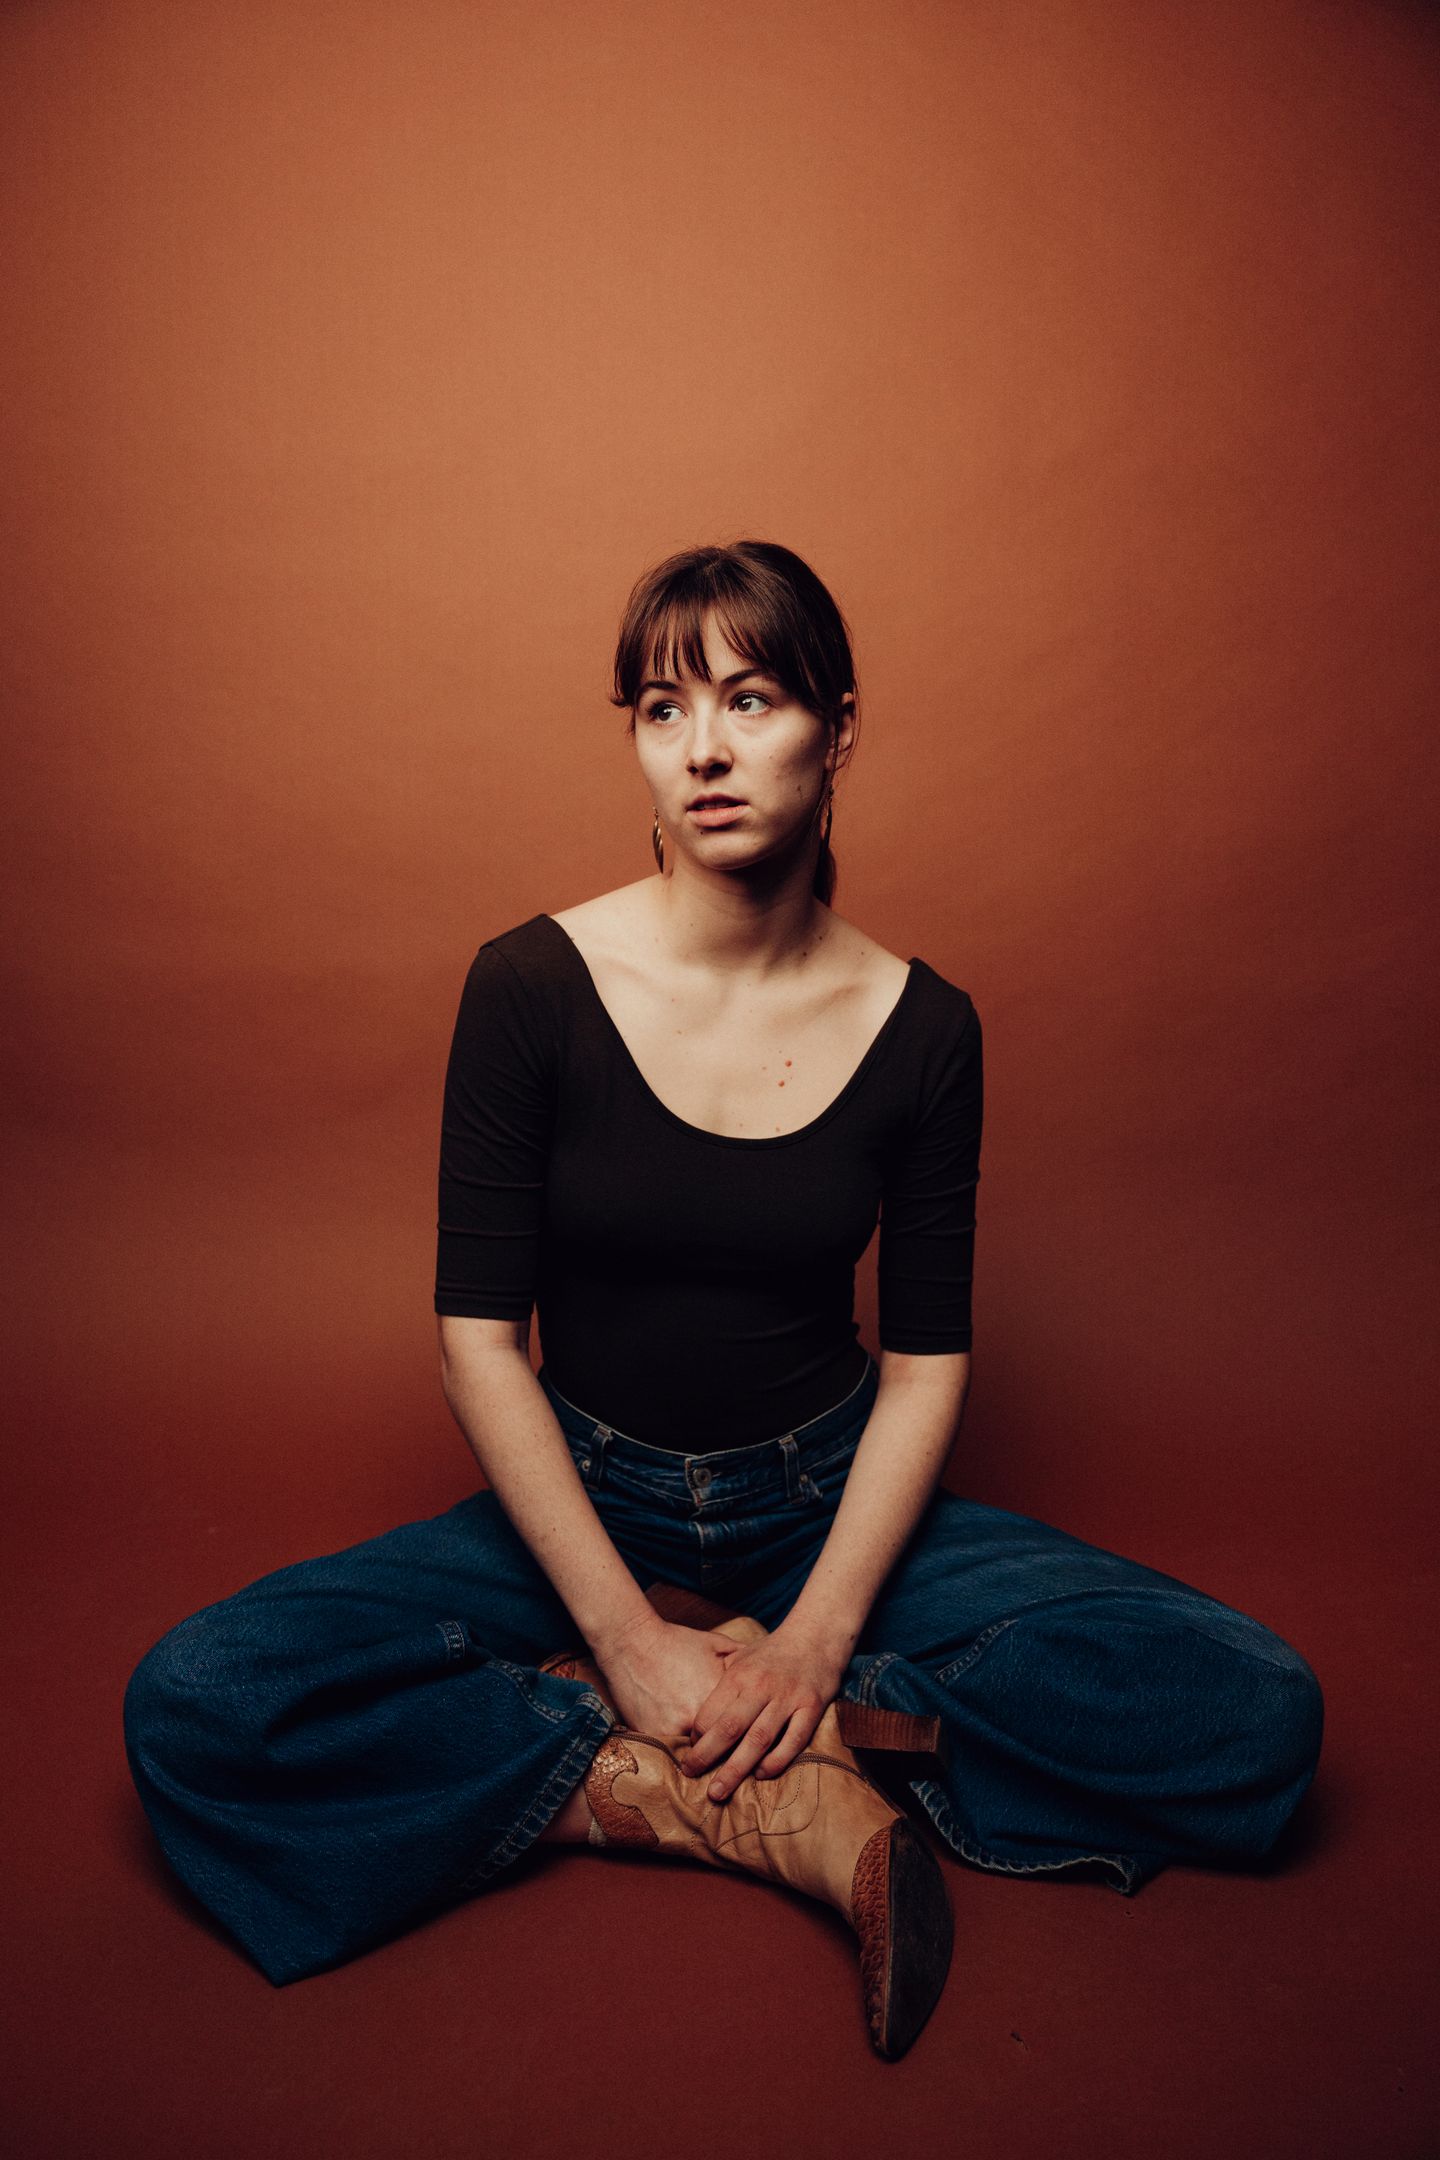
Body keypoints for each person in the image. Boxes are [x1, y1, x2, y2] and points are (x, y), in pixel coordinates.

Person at [124, 540, 1323, 2061]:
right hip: (586, 1493)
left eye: (751, 700)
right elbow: (478, 1345)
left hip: (822, 1501)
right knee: (202, 1698)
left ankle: (804, 1718)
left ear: (839, 728)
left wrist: (813, 1643)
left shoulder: (925, 1026)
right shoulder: (530, 986)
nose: (703, 749)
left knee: (1257, 1709)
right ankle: (673, 1780)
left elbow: (927, 1369)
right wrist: (625, 1640)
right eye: (662, 708)